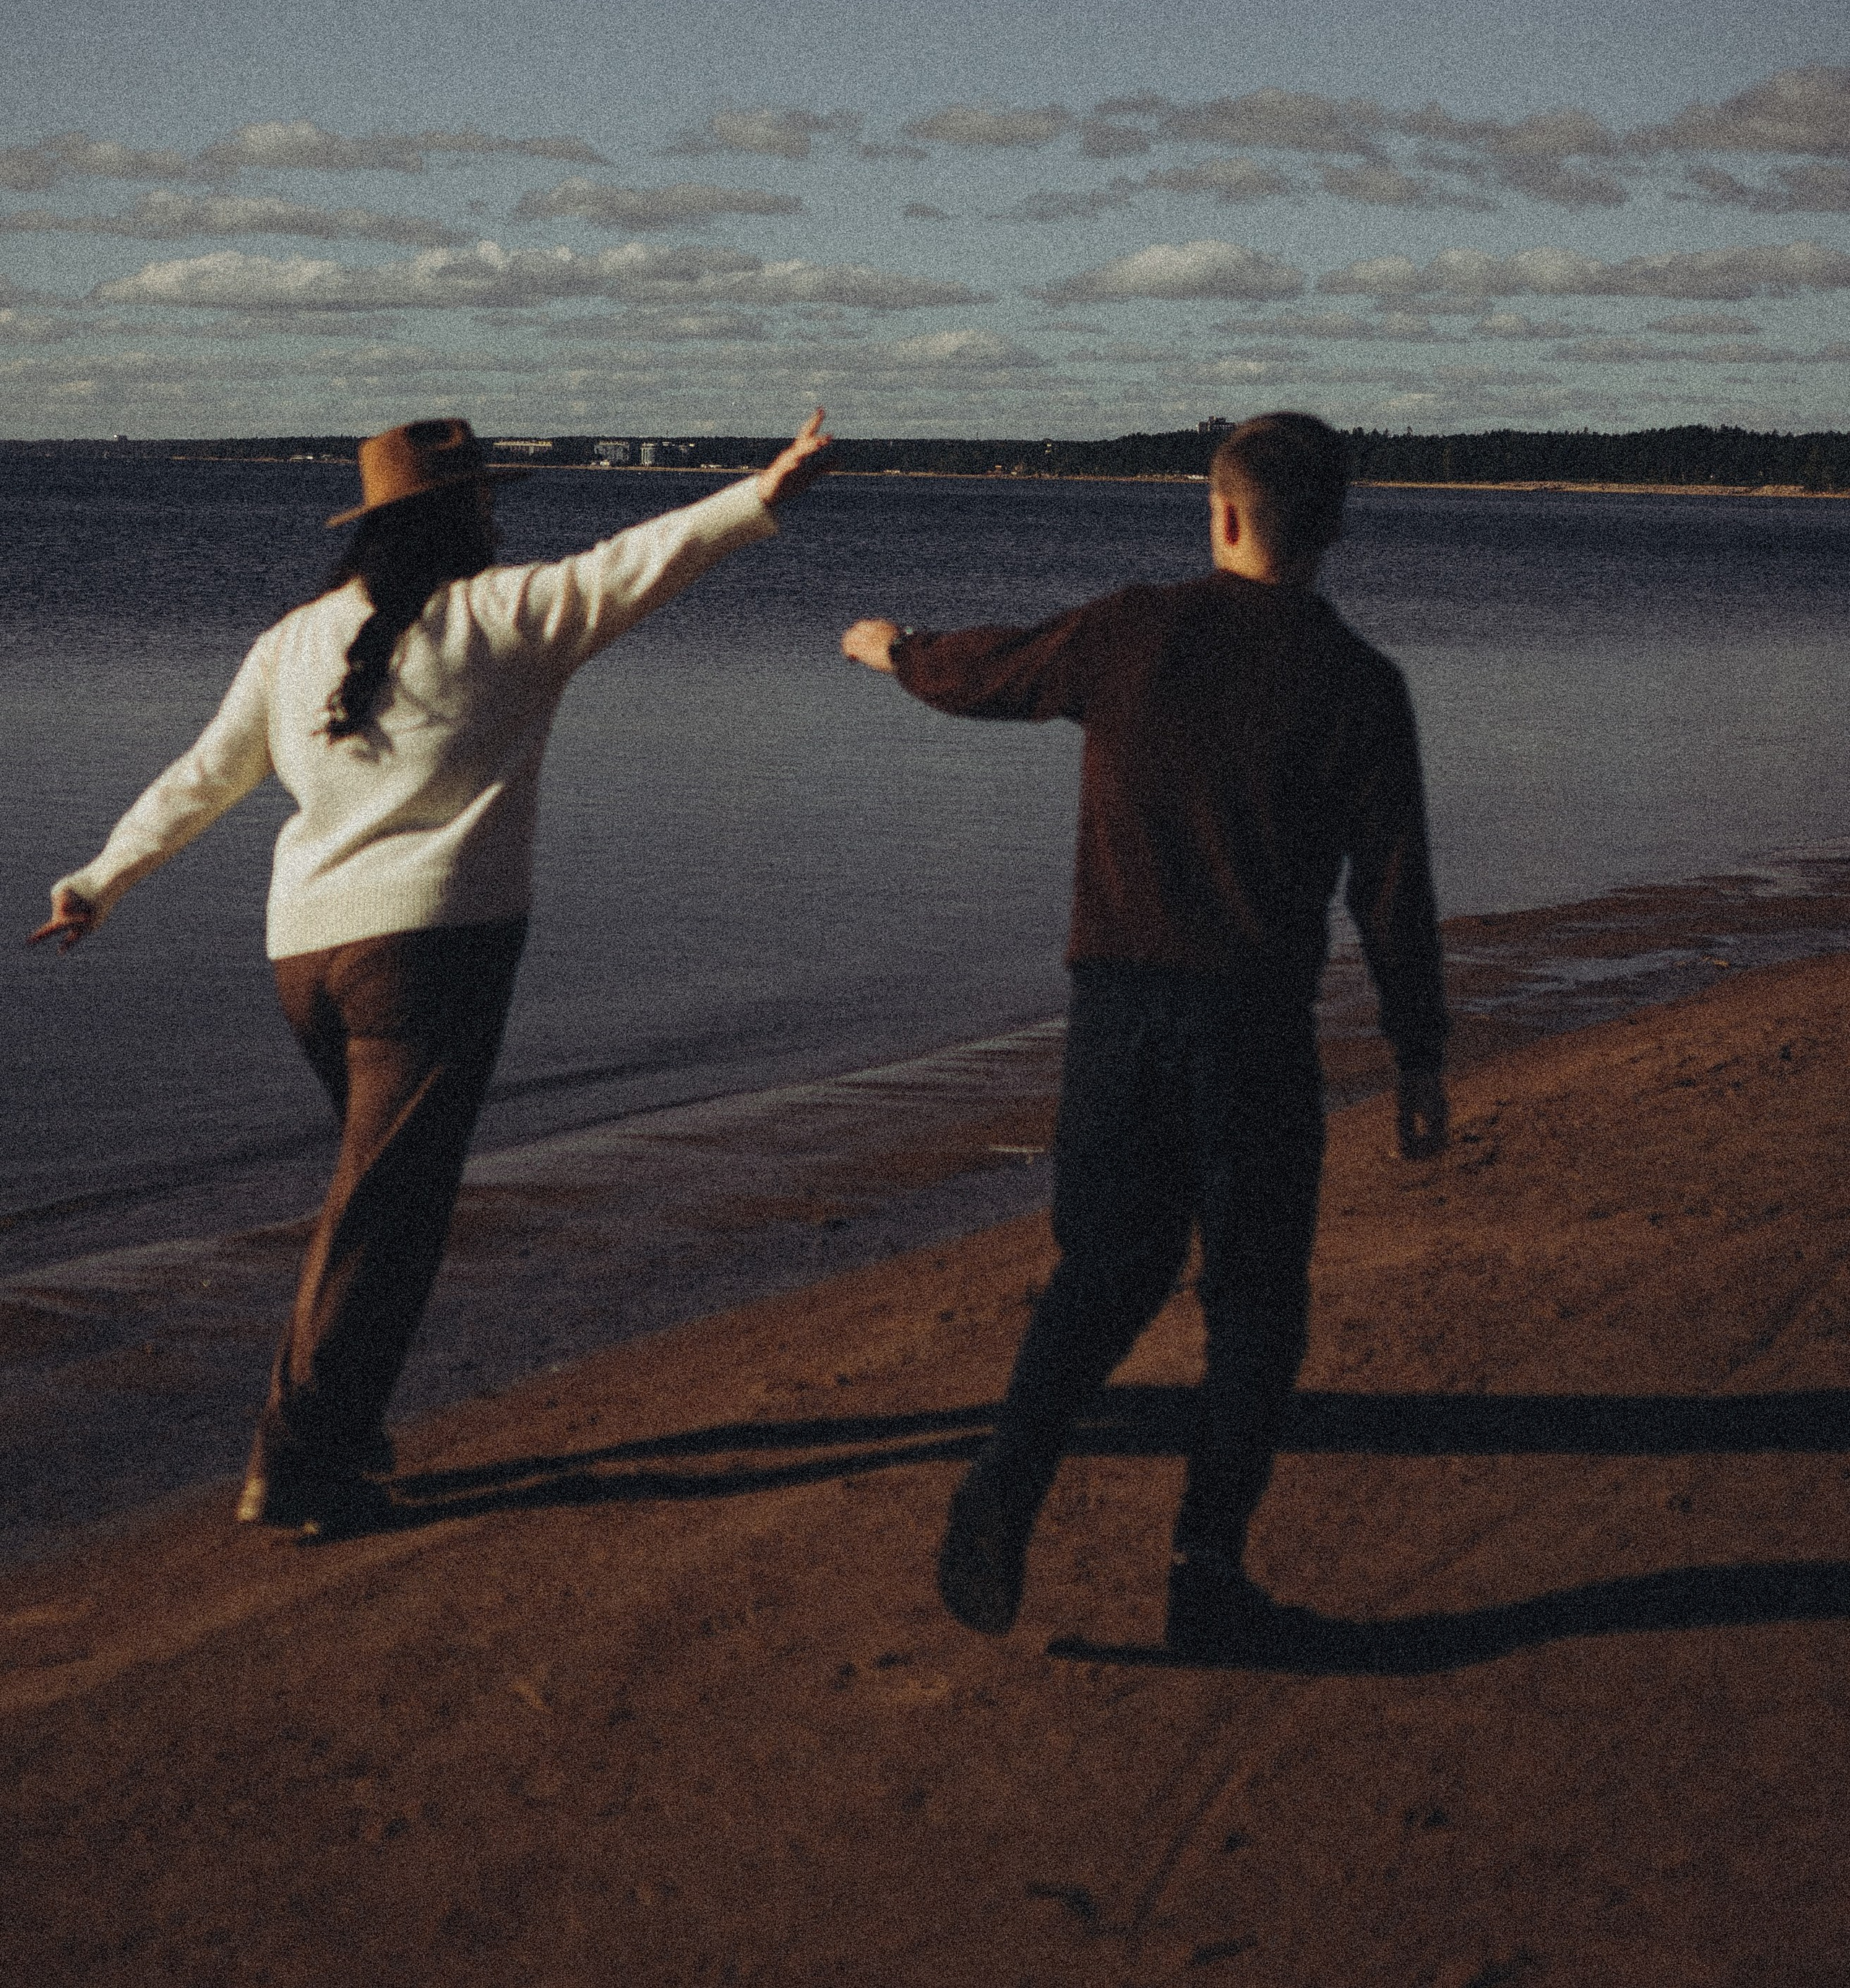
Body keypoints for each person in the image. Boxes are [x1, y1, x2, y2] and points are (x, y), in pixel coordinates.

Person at [34, 409, 832, 1539]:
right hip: (432, 956)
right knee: (387, 1214)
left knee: (375, 1198)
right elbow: (646, 560)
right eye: (489, 506)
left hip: (305, 957)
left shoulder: (296, 638)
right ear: (463, 518)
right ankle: (298, 1458)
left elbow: (204, 775)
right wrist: (768, 490)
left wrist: (102, 878)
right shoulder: (506, 615)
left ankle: (337, 1431)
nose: (500, 521)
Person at [840, 410, 1447, 1661]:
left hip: (1119, 1011)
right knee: (1257, 1304)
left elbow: (992, 674)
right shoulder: (1363, 686)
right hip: (1259, 1030)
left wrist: (896, 649)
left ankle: (1006, 1484)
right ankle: (1206, 1572)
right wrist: (1419, 1052)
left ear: (1221, 512)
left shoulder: (1133, 634)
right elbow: (1392, 885)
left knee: (1106, 1272)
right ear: (1332, 526)